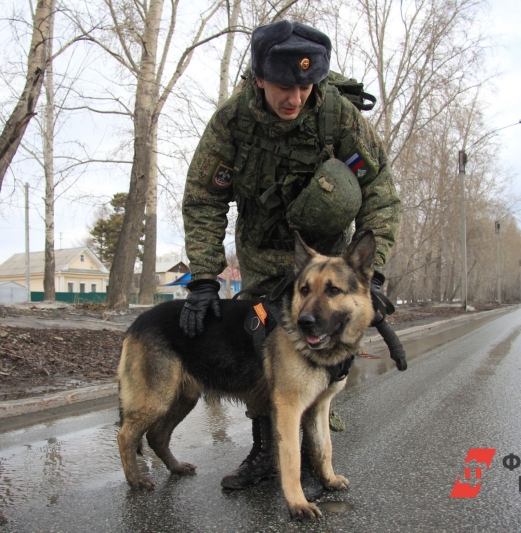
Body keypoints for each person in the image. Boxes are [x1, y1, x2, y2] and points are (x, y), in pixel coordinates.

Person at [180, 20, 400, 499]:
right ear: (259, 79)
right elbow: (203, 199)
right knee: (262, 350)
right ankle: (265, 452)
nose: (295, 98)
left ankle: (312, 457)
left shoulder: (336, 116)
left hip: (324, 261)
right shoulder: (232, 121)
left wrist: (371, 271)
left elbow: (380, 189)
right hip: (262, 259)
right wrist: (202, 278)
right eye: (284, 86)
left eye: (304, 86)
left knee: (322, 351)